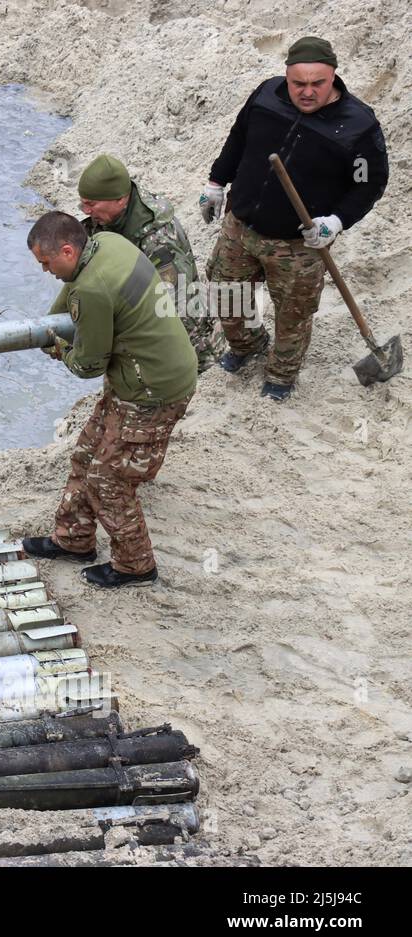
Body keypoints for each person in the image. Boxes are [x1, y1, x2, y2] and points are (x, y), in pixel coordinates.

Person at [199, 35, 388, 400]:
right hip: (241, 225)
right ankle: (247, 346)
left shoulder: (357, 126)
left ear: (333, 76)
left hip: (299, 243)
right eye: (298, 82)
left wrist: (335, 221)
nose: (306, 92)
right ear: (286, 76)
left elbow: (369, 184)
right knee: (225, 295)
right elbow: (238, 139)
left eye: (317, 83)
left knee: (293, 315)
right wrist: (216, 182)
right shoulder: (267, 95)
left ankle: (281, 375)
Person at [21, 213, 197, 588]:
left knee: (108, 478)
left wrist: (58, 348)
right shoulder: (109, 244)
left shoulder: (93, 289)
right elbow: (72, 291)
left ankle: (136, 566)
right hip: (137, 377)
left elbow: (87, 363)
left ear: (68, 250)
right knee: (85, 454)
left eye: (46, 263)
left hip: (153, 392)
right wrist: (51, 319)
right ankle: (73, 540)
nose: (45, 271)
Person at [78, 153, 221, 372]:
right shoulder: (112, 216)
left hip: (190, 344)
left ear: (120, 199)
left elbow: (173, 304)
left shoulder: (157, 240)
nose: (86, 211)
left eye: (91, 204)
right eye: (83, 204)